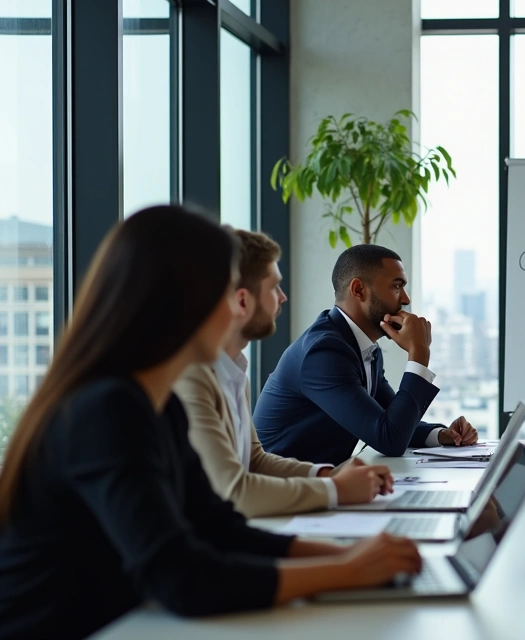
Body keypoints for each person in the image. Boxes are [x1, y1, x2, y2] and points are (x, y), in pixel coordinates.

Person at [0, 206, 423, 640]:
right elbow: (183, 579)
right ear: (181, 303)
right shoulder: (107, 410)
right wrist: (345, 571)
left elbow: (219, 526)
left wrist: (348, 554)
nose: (236, 309)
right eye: (225, 293)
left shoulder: (158, 406)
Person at [174, 228, 394, 517]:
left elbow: (255, 460)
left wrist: (328, 475)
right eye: (274, 288)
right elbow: (233, 492)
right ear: (242, 301)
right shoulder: (192, 377)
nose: (283, 298)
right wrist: (337, 489)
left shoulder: (234, 369)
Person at [254, 244, 479, 465]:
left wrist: (441, 435)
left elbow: (392, 420)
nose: (406, 300)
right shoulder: (324, 352)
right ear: (359, 290)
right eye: (397, 287)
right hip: (281, 491)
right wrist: (419, 353)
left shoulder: (363, 347)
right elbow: (390, 438)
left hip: (319, 485)